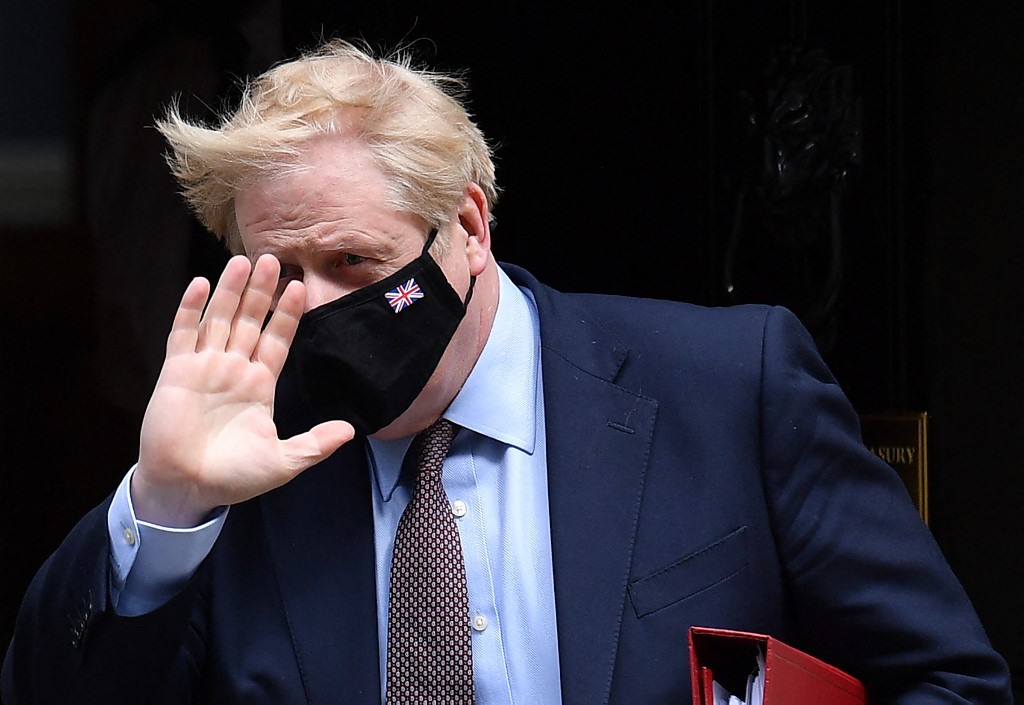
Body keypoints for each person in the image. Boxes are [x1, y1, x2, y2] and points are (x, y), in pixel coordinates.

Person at [1, 39, 1012, 704]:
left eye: (354, 263)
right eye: (281, 271)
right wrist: (167, 505)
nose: (314, 308)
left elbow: (949, 682)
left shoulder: (726, 386)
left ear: (468, 228)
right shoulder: (242, 459)